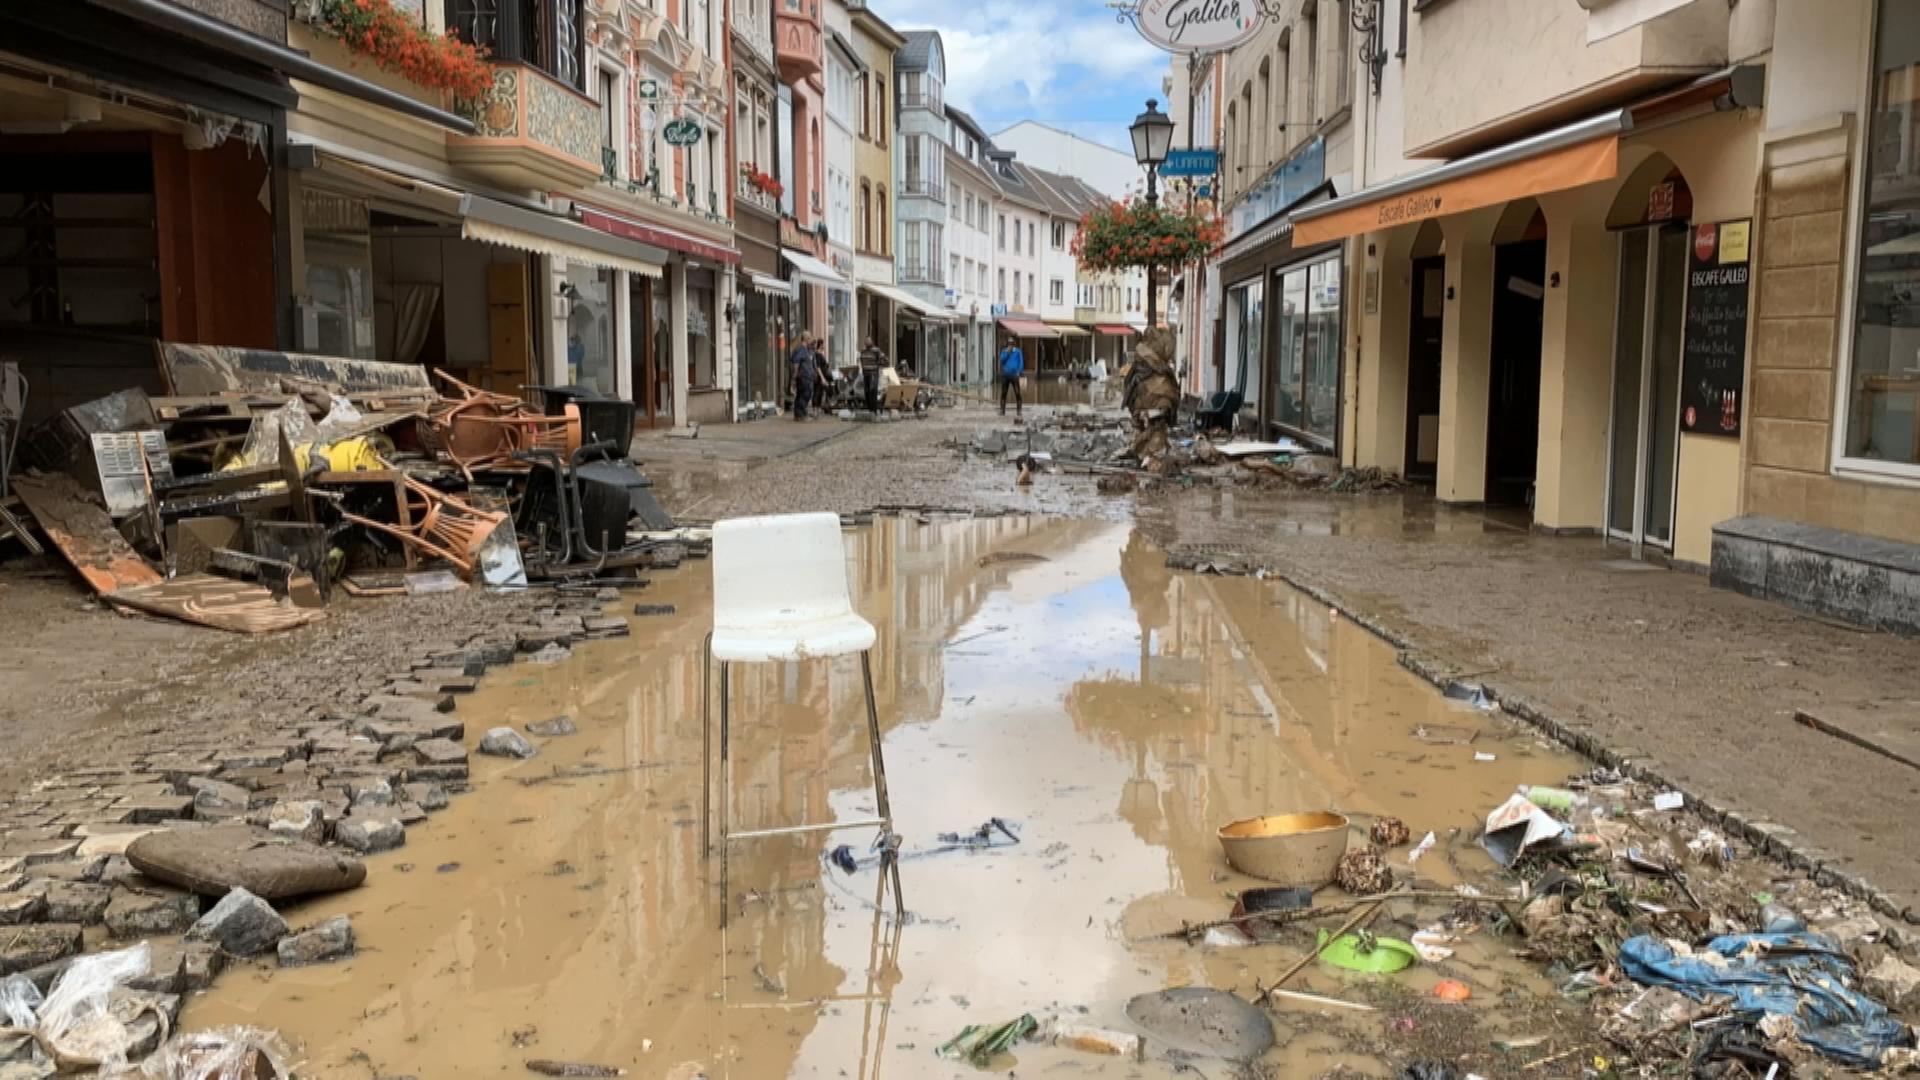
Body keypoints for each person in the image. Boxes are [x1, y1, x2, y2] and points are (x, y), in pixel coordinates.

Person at [997, 337, 1025, 417]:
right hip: (1005, 375)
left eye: (1012, 344)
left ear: (1014, 345)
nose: (1010, 346)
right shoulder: (1004, 351)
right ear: (1007, 345)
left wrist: (1019, 372)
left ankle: (1019, 411)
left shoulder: (1018, 352)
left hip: (1014, 375)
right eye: (1009, 344)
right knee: (1003, 393)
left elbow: (1021, 362)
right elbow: (1002, 360)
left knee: (1017, 393)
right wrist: (1007, 353)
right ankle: (1002, 410)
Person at [789, 337, 815, 420]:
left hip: (805, 376)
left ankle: (798, 415)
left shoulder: (804, 349)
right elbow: (796, 360)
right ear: (807, 339)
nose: (811, 341)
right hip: (804, 377)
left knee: (800, 395)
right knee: (805, 394)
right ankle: (801, 414)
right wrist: (796, 373)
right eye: (810, 339)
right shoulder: (802, 349)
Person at [858, 336, 886, 412]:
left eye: (868, 341)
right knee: (866, 391)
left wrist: (878, 366)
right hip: (865, 373)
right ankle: (869, 409)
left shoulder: (876, 350)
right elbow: (861, 360)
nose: (867, 342)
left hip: (873, 373)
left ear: (871, 342)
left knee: (872, 390)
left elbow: (883, 358)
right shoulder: (863, 351)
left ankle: (873, 410)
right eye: (866, 341)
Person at [813, 339, 833, 412]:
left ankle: (818, 408)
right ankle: (816, 408)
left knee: (820, 392)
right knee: (818, 392)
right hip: (819, 377)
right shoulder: (818, 354)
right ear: (821, 344)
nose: (824, 346)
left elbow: (822, 365)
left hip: (823, 376)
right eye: (823, 344)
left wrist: (827, 365)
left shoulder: (820, 354)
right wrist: (822, 378)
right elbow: (818, 367)